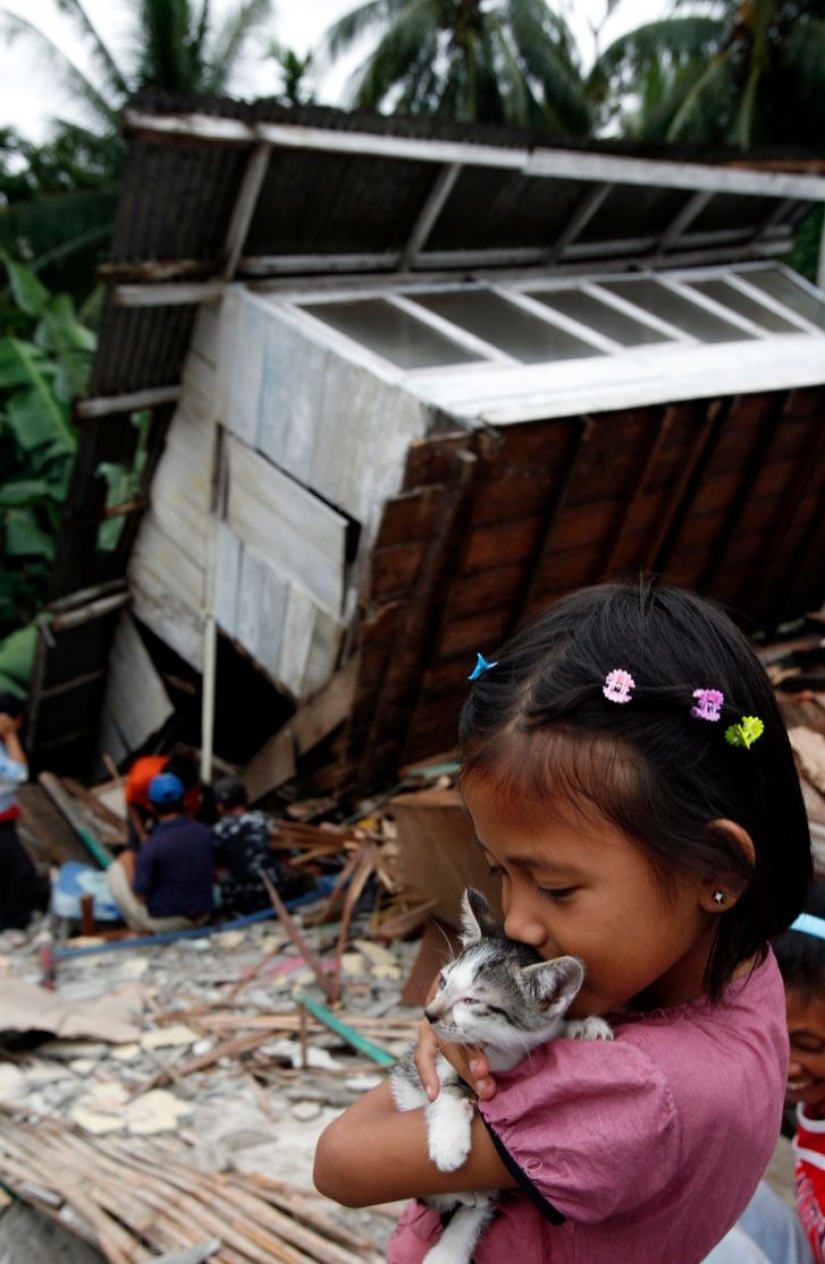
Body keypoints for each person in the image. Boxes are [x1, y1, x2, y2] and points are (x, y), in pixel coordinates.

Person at [313, 580, 813, 1263]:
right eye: (498, 872)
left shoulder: (637, 1092)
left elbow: (340, 1161)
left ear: (715, 874)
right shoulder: (737, 966)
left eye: (554, 887)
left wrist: (447, 1054)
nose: (516, 924)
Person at [106, 772, 214, 933]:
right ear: (184, 802)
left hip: (169, 923)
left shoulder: (152, 846)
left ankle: (140, 930)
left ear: (151, 807)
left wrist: (129, 868)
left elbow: (140, 897)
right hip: (205, 915)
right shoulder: (205, 832)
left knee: (118, 867)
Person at [212, 775, 311, 918]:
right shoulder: (265, 821)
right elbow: (291, 859)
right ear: (247, 797)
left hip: (240, 904)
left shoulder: (216, 832)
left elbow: (216, 870)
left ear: (219, 807)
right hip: (277, 897)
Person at [0, 692, 43, 930]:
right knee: (22, 870)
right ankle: (13, 924)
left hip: (5, 816)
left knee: (7, 871)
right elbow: (20, 772)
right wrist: (10, 734)